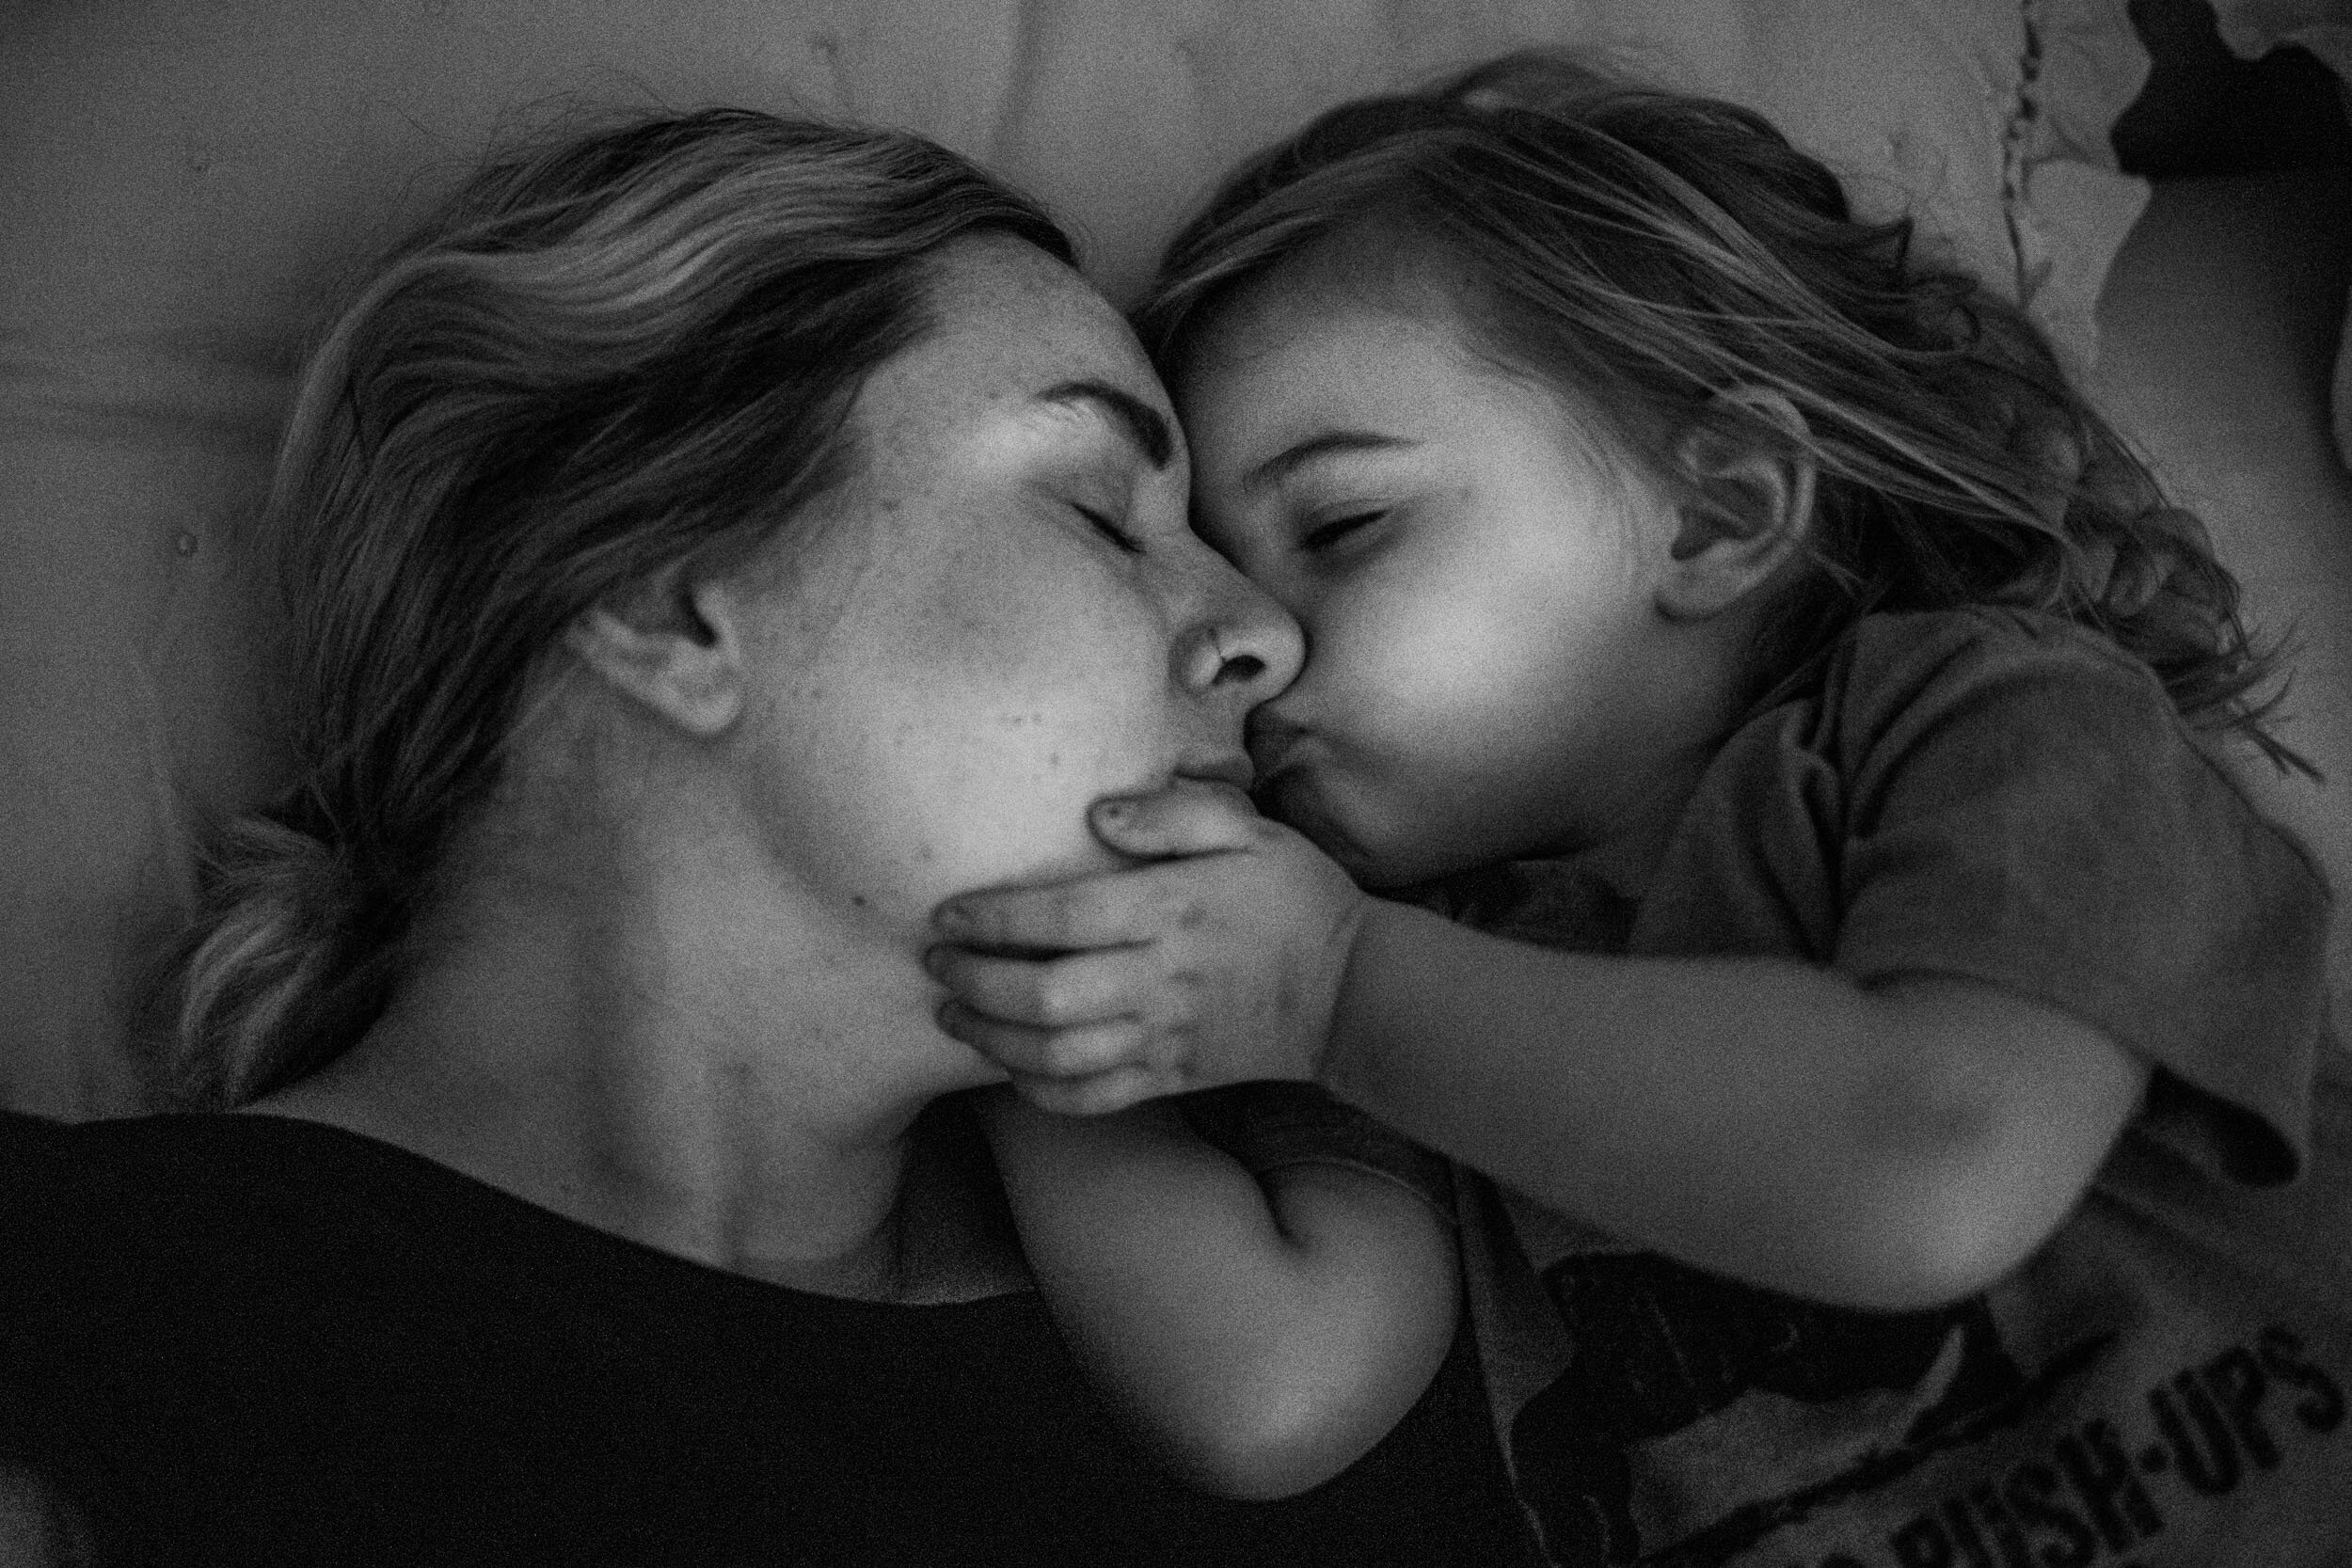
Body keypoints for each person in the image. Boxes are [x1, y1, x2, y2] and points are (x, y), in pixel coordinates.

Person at [0, 108, 1533, 1567]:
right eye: (1098, 510)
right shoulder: (90, 1305)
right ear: (668, 590)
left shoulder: (1367, 1282)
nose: (1265, 635)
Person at [926, 55, 2352, 1565]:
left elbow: (1933, 1163)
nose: (1250, 636)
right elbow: (1274, 1382)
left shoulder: (2005, 719)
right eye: (1211, 569)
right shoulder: (1386, 937)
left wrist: (1330, 993)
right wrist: (1020, 962)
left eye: (1340, 527)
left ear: (1722, 513)